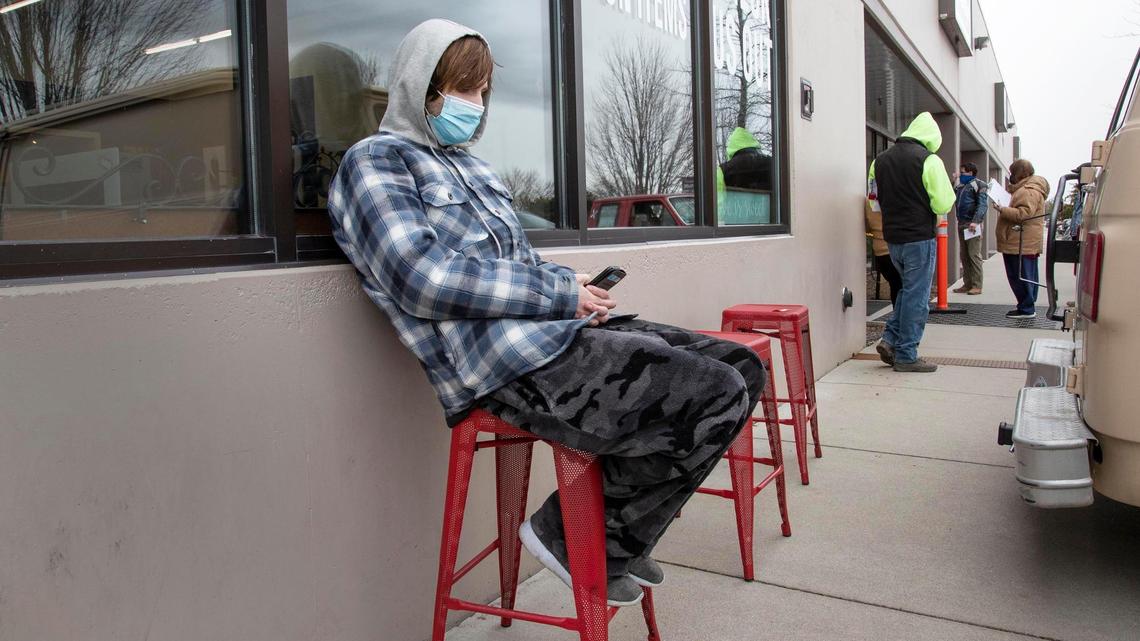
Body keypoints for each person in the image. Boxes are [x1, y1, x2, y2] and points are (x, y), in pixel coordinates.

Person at [325, 19, 765, 608]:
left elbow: (517, 263)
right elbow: (422, 281)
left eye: (482, 92)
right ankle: (571, 535)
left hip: (556, 336)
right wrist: (557, 296)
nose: (475, 105)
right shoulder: (375, 162)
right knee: (712, 393)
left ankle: (614, 536)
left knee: (741, 366)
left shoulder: (475, 169)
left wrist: (567, 283)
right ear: (419, 85)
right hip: (502, 365)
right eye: (462, 88)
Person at [867, 112, 955, 373]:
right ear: (931, 139)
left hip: (893, 237)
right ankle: (907, 355)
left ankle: (891, 340)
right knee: (917, 296)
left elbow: (874, 201)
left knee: (907, 290)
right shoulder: (929, 160)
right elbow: (943, 203)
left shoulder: (879, 161)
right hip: (920, 237)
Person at [996, 159, 1050, 319]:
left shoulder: (1028, 191)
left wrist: (1002, 209)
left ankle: (1026, 308)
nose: (1010, 176)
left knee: (1021, 276)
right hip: (1022, 241)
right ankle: (1026, 305)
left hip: (1021, 242)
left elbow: (1023, 214)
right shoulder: (1029, 188)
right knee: (1025, 275)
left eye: (1012, 172)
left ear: (1019, 173)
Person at [951, 162, 989, 295]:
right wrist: (953, 180)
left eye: (963, 172)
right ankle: (967, 284)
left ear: (971, 173)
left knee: (973, 255)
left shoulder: (979, 185)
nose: (961, 175)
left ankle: (977, 285)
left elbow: (983, 205)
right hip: (962, 223)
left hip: (972, 225)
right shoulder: (961, 186)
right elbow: (949, 195)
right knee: (965, 255)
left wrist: (976, 221)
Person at [864, 199, 902, 306]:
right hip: (899, 248)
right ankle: (901, 320)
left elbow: (867, 226)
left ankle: (898, 317)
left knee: (895, 286)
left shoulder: (869, 201)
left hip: (881, 252)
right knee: (906, 289)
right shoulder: (899, 195)